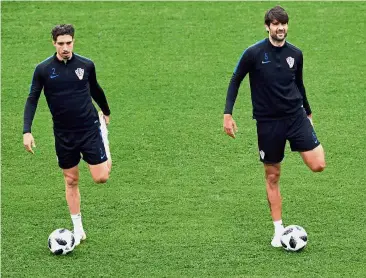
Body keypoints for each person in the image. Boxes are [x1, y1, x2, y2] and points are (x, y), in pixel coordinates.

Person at [223, 6, 326, 247]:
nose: (281, 28)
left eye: (284, 24)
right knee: (272, 175)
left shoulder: (296, 54)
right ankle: (278, 231)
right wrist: (228, 114)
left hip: (295, 116)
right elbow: (235, 79)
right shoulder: (253, 53)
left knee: (318, 164)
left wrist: (308, 112)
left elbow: (298, 83)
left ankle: (282, 231)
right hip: (268, 122)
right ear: (267, 26)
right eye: (276, 24)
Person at [23, 24, 112, 246]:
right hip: (63, 134)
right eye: (61, 43)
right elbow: (32, 99)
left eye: (69, 43)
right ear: (53, 43)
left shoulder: (85, 65)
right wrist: (27, 131)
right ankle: (78, 228)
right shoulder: (43, 70)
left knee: (101, 177)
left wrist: (106, 111)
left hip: (89, 128)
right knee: (71, 179)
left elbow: (95, 89)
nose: (65, 47)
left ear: (74, 41)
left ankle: (104, 135)